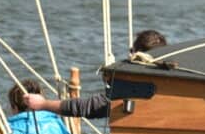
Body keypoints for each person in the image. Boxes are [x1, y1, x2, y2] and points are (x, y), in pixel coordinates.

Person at [21, 30, 170, 123]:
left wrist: (42, 104)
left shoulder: (136, 87)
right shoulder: (175, 82)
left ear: (138, 55)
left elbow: (89, 107)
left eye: (132, 51)